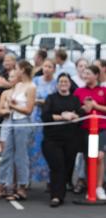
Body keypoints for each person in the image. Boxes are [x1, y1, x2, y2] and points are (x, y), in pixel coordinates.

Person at [0, 60, 36, 200]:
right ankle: (1, 184)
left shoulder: (31, 87)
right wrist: (12, 106)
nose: (15, 71)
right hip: (12, 121)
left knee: (21, 156)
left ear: (23, 70)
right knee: (7, 154)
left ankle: (21, 187)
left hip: (23, 123)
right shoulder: (18, 85)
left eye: (17, 68)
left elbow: (29, 110)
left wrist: (13, 107)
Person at [41, 73, 82, 206]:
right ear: (57, 84)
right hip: (52, 139)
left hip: (71, 139)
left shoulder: (75, 99)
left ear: (70, 84)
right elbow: (45, 115)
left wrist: (73, 115)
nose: (63, 84)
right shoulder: (51, 98)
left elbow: (80, 114)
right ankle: (56, 196)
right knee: (57, 166)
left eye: (66, 81)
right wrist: (62, 116)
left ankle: (61, 191)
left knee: (67, 166)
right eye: (61, 81)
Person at [74, 64, 106, 199]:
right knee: (88, 158)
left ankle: (99, 186)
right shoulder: (79, 92)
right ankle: (90, 185)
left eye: (88, 74)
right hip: (85, 129)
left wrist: (95, 106)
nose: (85, 76)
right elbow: (75, 110)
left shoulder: (103, 90)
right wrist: (83, 108)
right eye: (84, 74)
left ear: (96, 75)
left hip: (101, 128)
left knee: (99, 156)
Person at [30, 58, 57, 184]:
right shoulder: (35, 81)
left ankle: (48, 179)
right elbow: (31, 98)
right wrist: (44, 102)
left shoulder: (56, 83)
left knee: (49, 149)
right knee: (33, 147)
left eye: (50, 67)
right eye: (45, 66)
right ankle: (29, 178)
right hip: (35, 118)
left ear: (54, 69)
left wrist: (45, 103)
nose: (46, 69)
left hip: (49, 119)